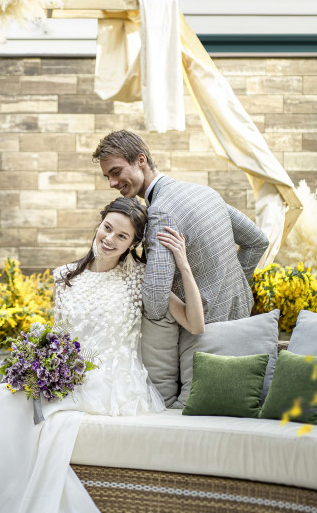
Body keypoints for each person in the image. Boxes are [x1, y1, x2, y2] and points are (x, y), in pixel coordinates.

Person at [0, 197, 204, 513]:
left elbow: (196, 325)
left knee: (15, 410)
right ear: (99, 224)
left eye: (122, 236)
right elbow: (58, 338)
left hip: (113, 383)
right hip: (66, 375)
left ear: (133, 244)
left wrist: (183, 264)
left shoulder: (139, 277)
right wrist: (39, 364)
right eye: (107, 228)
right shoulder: (64, 276)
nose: (109, 239)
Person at [93, 130, 270, 405]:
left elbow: (154, 300)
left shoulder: (161, 211)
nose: (113, 182)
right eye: (108, 177)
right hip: (244, 315)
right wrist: (233, 287)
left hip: (205, 339)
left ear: (141, 160)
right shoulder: (204, 192)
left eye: (116, 172)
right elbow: (258, 241)